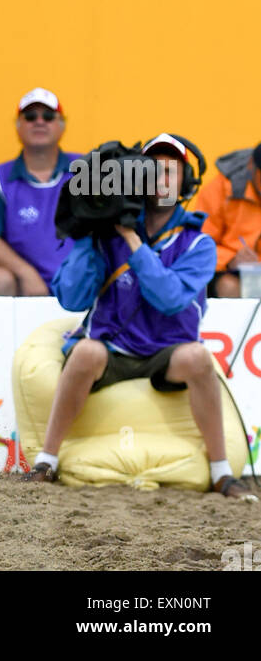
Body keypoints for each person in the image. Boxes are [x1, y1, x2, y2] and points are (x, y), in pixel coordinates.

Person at [26, 134, 255, 498]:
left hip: (169, 351)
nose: (161, 178)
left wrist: (132, 239)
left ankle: (221, 472)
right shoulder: (106, 233)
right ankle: (46, 460)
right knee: (85, 351)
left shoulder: (198, 243)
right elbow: (71, 299)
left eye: (170, 171)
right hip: (112, 348)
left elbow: (169, 298)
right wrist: (85, 232)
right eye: (152, 170)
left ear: (185, 181)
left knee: (198, 357)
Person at [0, 88, 80, 295]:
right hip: (25, 290)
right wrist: (26, 273)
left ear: (62, 125)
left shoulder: (87, 170)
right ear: (18, 125)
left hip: (83, 285)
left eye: (48, 116)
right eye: (30, 116)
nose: (39, 122)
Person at [191, 143, 261, 297]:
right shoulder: (220, 189)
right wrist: (230, 260)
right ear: (252, 165)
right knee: (229, 287)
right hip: (229, 272)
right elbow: (197, 244)